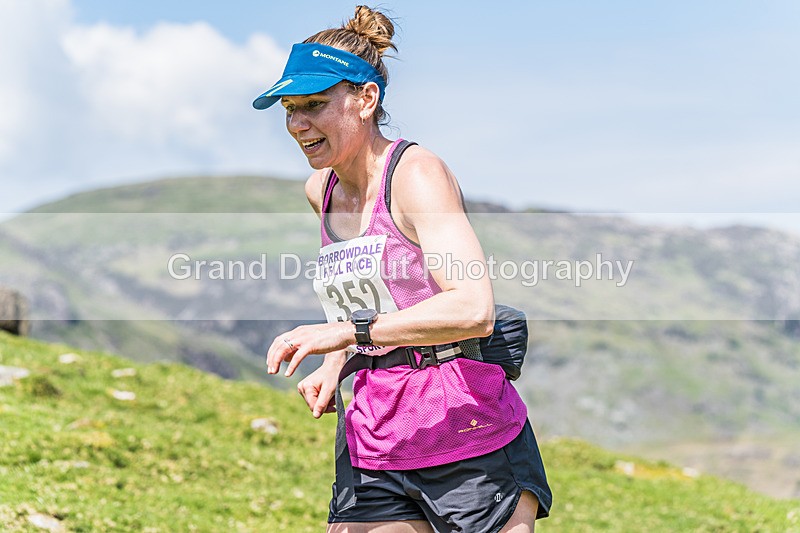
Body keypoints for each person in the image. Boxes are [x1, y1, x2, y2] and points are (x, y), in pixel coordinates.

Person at [257, 6, 552, 532]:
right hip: (376, 429)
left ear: (366, 99)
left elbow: (472, 306)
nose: (298, 124)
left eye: (315, 105)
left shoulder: (416, 175)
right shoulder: (320, 191)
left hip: (467, 431)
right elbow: (367, 299)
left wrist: (346, 333)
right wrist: (333, 365)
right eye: (289, 108)